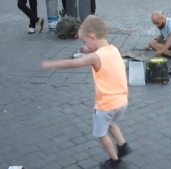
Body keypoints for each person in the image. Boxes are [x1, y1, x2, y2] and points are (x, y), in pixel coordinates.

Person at [41, 15, 132, 169]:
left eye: (85, 41)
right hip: (122, 102)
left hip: (105, 105)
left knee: (101, 134)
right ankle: (123, 145)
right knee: (112, 123)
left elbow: (73, 64)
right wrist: (87, 50)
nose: (85, 45)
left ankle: (115, 162)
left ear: (91, 36)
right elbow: (99, 53)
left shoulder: (95, 57)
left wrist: (51, 64)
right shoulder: (114, 50)